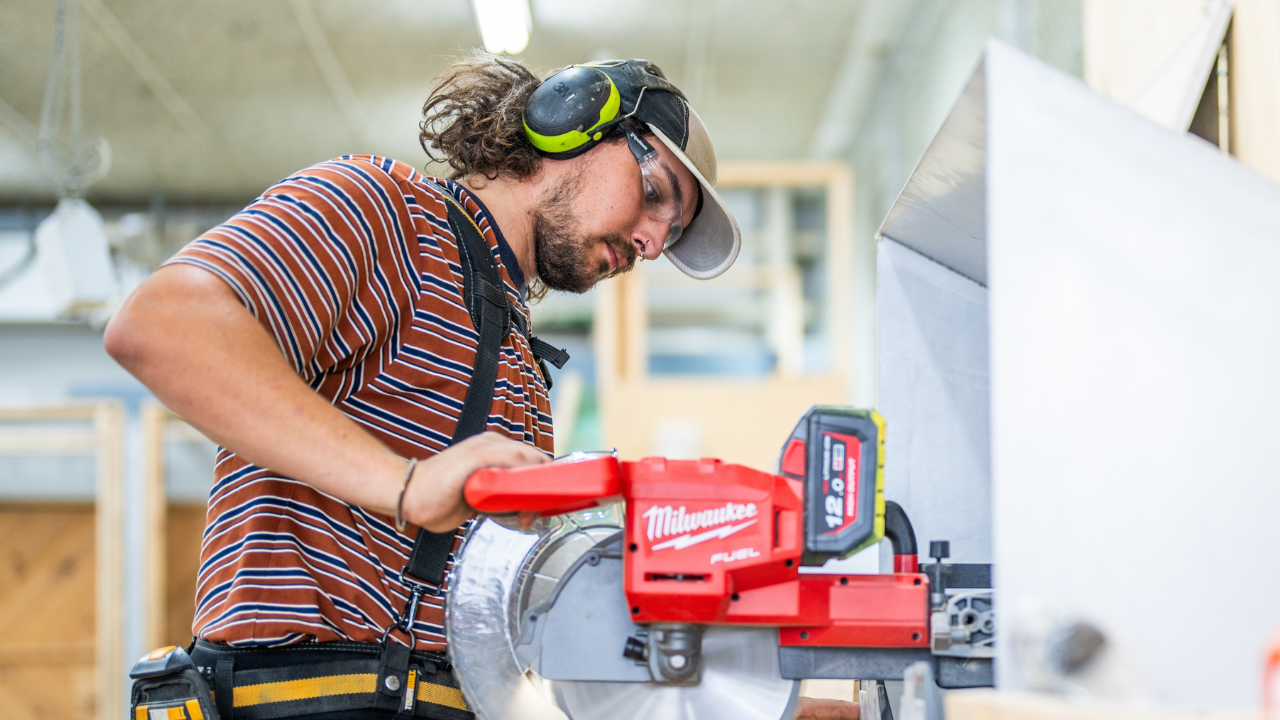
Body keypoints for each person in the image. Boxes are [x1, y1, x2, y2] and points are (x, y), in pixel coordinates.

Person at [107, 53, 856, 720]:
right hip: (303, 691)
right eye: (655, 193)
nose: (651, 242)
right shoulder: (380, 211)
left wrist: (733, 694)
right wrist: (406, 484)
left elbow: (500, 639)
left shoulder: (518, 363)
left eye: (670, 233)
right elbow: (163, 325)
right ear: (570, 123)